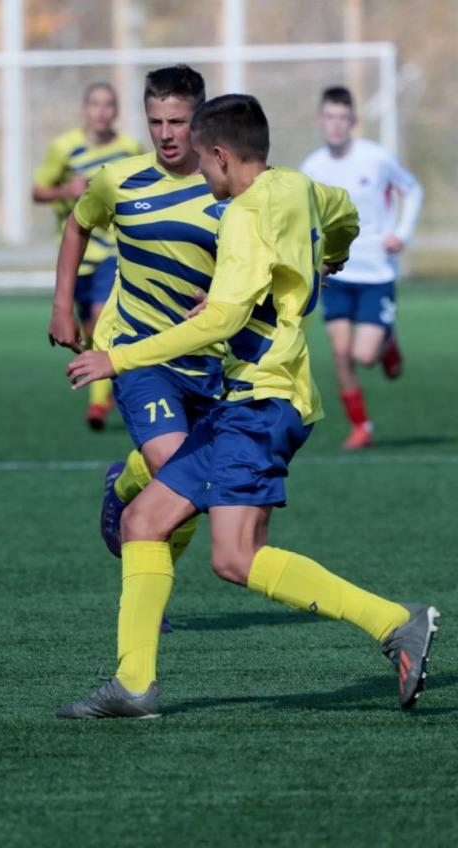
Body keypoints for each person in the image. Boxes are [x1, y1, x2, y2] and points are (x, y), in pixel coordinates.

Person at [59, 94, 438, 719]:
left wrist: (118, 358)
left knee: (235, 558)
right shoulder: (298, 185)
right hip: (257, 399)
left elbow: (222, 320)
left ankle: (395, 623)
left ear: (218, 154)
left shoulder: (241, 215)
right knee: (144, 521)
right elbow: (345, 214)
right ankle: (133, 685)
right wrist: (334, 253)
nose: (201, 176)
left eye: (203, 164)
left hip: (262, 400)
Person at [49, 66, 218, 598]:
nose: (165, 134)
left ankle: (125, 480)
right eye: (155, 122)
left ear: (201, 119)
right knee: (181, 471)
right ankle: (151, 599)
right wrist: (61, 306)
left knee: (187, 487)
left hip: (212, 358)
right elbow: (78, 224)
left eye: (178, 121)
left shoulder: (230, 183)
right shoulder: (119, 179)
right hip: (139, 355)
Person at [300, 86, 424, 450]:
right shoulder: (312, 168)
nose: (336, 125)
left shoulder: (377, 158)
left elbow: (413, 190)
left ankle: (386, 340)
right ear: (319, 120)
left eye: (343, 118)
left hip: (376, 272)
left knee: (363, 356)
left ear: (353, 120)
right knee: (340, 353)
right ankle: (361, 427)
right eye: (330, 117)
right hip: (337, 272)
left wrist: (401, 234)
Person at [34, 82, 143, 430]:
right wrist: (66, 190)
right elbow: (38, 191)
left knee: (100, 317)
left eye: (108, 104)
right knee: (86, 328)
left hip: (113, 250)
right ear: (85, 109)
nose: (101, 111)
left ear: (116, 111)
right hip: (78, 251)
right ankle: (103, 389)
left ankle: (97, 401)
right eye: (95, 104)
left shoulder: (130, 149)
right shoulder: (64, 147)